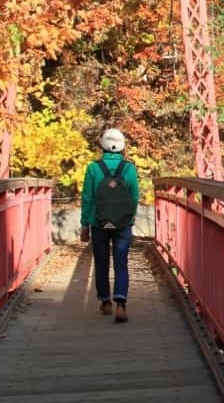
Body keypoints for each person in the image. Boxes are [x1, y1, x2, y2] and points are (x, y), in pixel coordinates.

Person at [80, 128, 139, 323]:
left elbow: (87, 198)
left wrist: (85, 225)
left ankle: (105, 301)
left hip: (99, 223)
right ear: (122, 146)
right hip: (123, 224)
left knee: (102, 262)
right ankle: (121, 304)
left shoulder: (93, 168)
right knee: (121, 263)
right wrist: (130, 218)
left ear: (102, 145)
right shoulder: (129, 168)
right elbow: (134, 197)